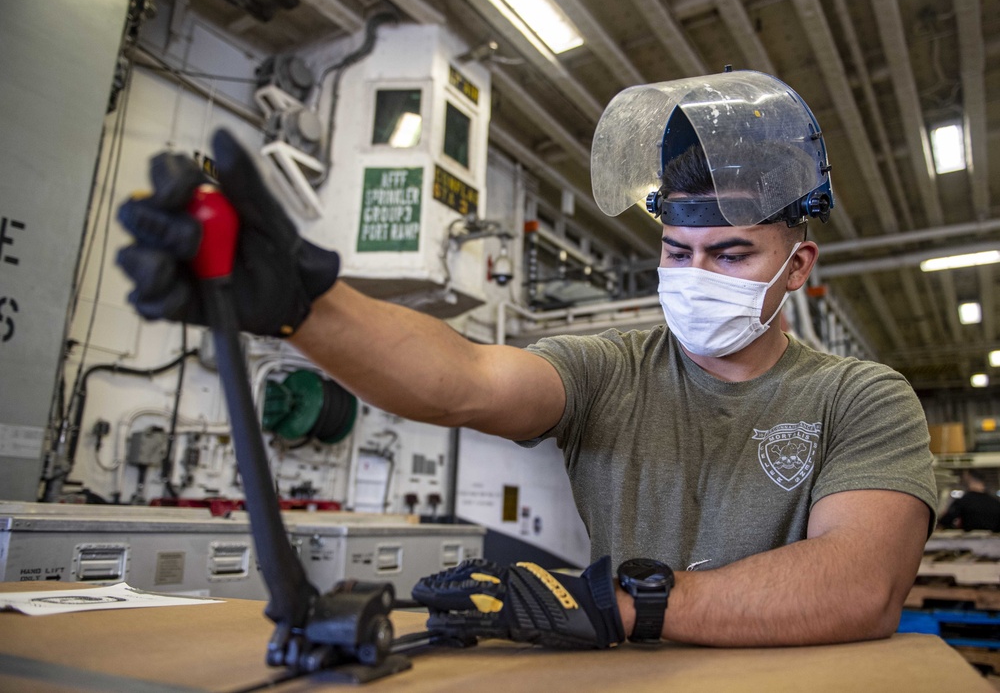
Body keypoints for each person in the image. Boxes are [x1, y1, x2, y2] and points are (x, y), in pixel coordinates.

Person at [117, 70, 936, 651]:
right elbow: (464, 383)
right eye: (675, 251)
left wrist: (623, 608)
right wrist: (307, 307)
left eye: (728, 255)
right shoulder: (611, 370)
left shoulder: (862, 398)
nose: (692, 279)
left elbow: (859, 587)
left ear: (797, 268)